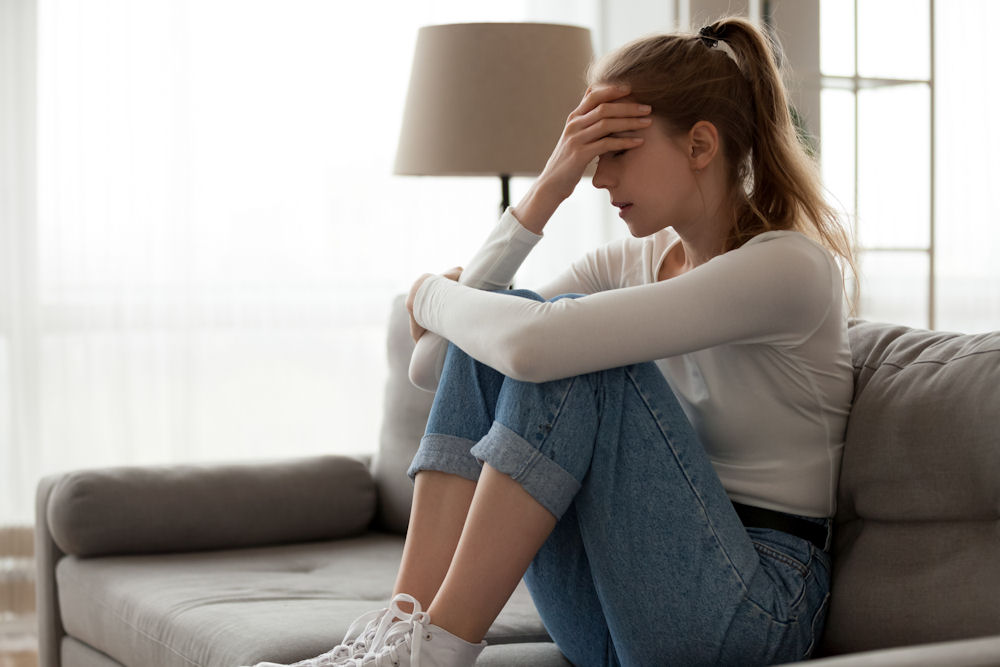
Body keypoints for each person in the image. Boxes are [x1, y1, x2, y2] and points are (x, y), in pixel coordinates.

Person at [255, 15, 855, 667]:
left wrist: (432, 293)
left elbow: (534, 346)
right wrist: (547, 186)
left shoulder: (789, 268)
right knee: (522, 325)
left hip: (753, 608)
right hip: (616, 600)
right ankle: (395, 637)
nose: (597, 180)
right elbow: (435, 362)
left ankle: (436, 653)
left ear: (701, 145)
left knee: (571, 347)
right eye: (587, 158)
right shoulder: (626, 265)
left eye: (615, 152)